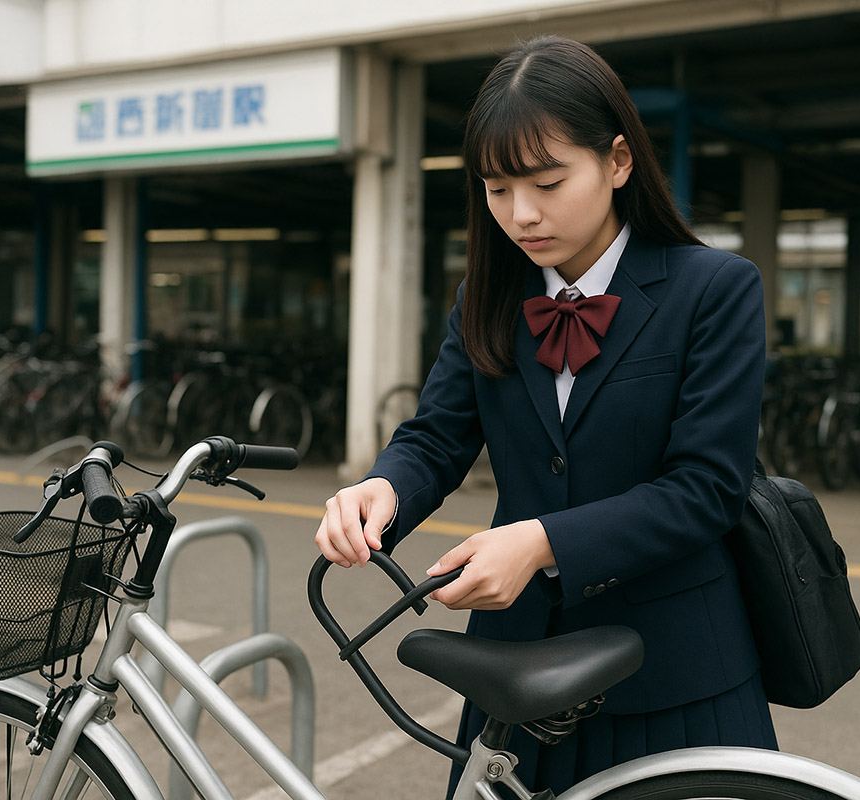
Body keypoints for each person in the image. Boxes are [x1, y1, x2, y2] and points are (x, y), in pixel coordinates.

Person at [315, 35, 776, 796]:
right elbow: (435, 436)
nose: (521, 214)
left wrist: (541, 542)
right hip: (518, 676)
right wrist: (382, 490)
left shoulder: (715, 289)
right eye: (497, 189)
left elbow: (706, 488)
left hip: (675, 674)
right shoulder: (487, 298)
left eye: (548, 182)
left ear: (619, 162)